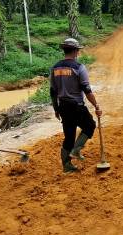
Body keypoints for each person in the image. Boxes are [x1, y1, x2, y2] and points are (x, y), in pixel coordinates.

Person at [50, 38, 102, 173]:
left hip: (63, 107)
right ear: (75, 51)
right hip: (76, 105)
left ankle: (67, 167)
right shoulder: (79, 68)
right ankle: (76, 150)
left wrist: (56, 109)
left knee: (69, 136)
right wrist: (96, 105)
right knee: (90, 125)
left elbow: (53, 91)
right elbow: (87, 90)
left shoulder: (55, 68)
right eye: (78, 50)